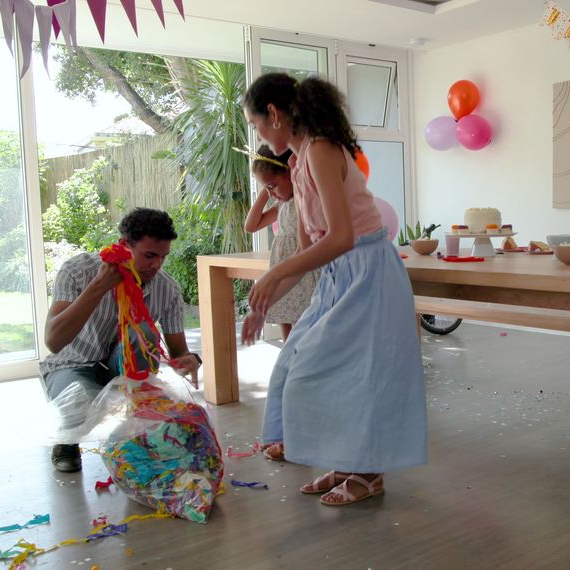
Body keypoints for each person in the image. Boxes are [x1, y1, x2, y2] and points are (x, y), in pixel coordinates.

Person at [242, 72, 427, 506]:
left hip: (367, 271)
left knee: (358, 376)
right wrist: (263, 302)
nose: (259, 136)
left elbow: (342, 236)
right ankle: (347, 462)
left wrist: (272, 276)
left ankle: (368, 473)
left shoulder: (322, 149)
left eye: (256, 125)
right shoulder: (297, 160)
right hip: (339, 276)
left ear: (274, 113)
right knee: (299, 365)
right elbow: (313, 248)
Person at [40, 207, 201, 473]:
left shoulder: (167, 288)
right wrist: (99, 286)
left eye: (163, 257)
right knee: (76, 404)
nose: (157, 265)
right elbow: (54, 341)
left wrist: (190, 360)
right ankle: (67, 440)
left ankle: (136, 430)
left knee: (146, 334)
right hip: (72, 364)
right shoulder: (78, 271)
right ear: (124, 246)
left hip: (124, 368)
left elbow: (179, 352)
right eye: (149, 255)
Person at [242, 144, 319, 345]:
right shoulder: (282, 204)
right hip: (283, 267)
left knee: (303, 326)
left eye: (273, 185)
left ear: (290, 173)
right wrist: (267, 190)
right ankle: (288, 363)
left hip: (300, 269)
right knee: (286, 326)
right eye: (267, 188)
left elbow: (305, 247)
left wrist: (272, 186)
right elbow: (251, 226)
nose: (271, 192)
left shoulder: (303, 200)